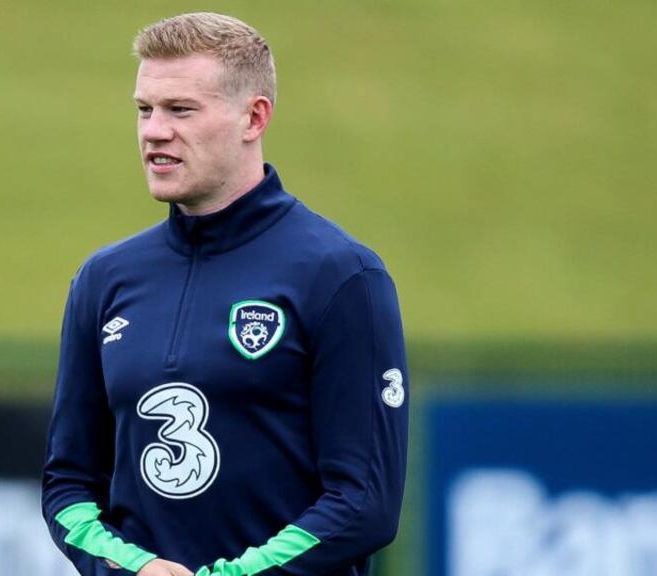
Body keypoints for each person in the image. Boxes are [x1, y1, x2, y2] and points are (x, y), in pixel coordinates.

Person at [42, 12, 409, 576]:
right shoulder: (104, 279)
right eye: (145, 109)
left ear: (253, 117)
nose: (154, 131)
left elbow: (364, 504)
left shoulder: (340, 275)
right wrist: (132, 568)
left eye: (181, 110)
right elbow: (68, 485)